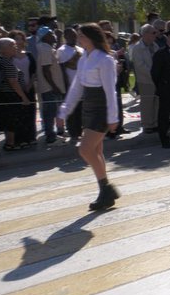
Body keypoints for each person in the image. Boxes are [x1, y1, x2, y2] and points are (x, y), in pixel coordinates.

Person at [55, 24, 120, 210]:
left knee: (85, 150)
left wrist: (113, 117)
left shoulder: (105, 59)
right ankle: (106, 191)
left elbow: (110, 90)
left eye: (82, 36)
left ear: (92, 37)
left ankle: (106, 189)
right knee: (96, 151)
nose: (79, 39)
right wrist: (64, 110)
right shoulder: (84, 57)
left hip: (101, 108)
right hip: (88, 106)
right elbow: (76, 87)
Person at [0, 38, 29, 151]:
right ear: (3, 49)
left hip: (6, 95)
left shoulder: (3, 61)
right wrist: (23, 97)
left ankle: (12, 142)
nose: (16, 47)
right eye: (12, 45)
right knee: (12, 119)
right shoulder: (6, 63)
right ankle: (10, 143)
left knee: (10, 119)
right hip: (10, 95)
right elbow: (13, 82)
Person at [129, 24, 160, 134]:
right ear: (145, 34)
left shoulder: (155, 46)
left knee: (156, 102)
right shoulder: (137, 48)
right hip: (145, 80)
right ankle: (147, 125)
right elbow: (140, 66)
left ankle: (156, 123)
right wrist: (153, 74)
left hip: (157, 79)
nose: (155, 35)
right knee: (147, 103)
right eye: (153, 33)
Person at [8, 30, 37, 147]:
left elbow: (33, 72)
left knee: (30, 112)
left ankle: (31, 137)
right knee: (18, 114)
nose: (19, 41)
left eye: (20, 38)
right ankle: (19, 139)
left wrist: (29, 84)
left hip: (29, 88)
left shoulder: (29, 54)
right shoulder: (9, 57)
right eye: (16, 38)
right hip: (15, 89)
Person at [58, 27, 84, 141]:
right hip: (70, 84)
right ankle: (73, 132)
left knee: (80, 109)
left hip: (82, 83)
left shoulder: (80, 49)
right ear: (66, 37)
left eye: (75, 35)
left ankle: (80, 130)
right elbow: (62, 69)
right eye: (71, 36)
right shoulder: (62, 50)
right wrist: (66, 84)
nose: (74, 37)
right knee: (72, 110)